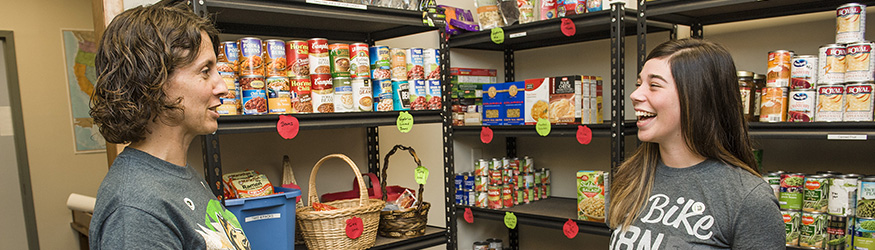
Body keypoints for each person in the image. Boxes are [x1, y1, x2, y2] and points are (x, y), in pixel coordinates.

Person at [88, 2, 251, 249]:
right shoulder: (135, 211)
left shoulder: (176, 175)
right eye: (206, 71)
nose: (223, 88)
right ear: (155, 81)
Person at [607, 38, 785, 249]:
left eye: (654, 85)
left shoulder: (748, 200)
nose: (635, 95)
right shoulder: (630, 177)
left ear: (697, 98)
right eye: (639, 84)